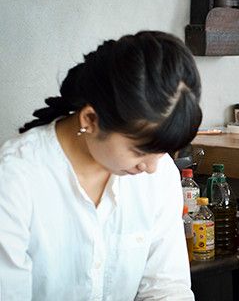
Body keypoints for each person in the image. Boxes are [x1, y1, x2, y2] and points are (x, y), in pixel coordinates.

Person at [0, 31, 202, 300]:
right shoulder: (15, 179)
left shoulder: (159, 174)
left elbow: (166, 288)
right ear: (90, 119)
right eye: (140, 150)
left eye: (162, 151)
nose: (152, 167)